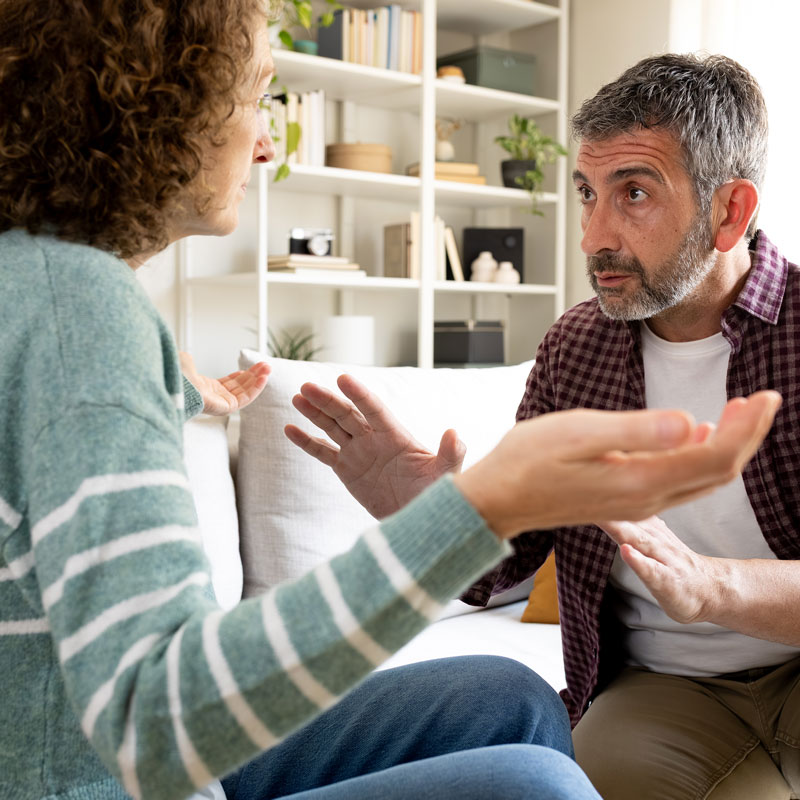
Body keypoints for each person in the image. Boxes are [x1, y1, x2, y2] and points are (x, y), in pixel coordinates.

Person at [0, 4, 780, 796]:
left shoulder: (56, 293)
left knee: (508, 698)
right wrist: (467, 509)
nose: (267, 142)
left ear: (729, 212)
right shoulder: (78, 317)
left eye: (634, 193)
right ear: (155, 111)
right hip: (105, 776)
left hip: (118, 753)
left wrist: (165, 385)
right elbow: (156, 721)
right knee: (536, 787)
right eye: (255, 98)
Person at [289, 53, 800, 799]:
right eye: (587, 194)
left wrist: (710, 586)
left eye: (634, 194)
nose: (594, 235)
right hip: (664, 691)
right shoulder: (575, 348)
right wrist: (433, 514)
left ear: (730, 212)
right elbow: (510, 560)